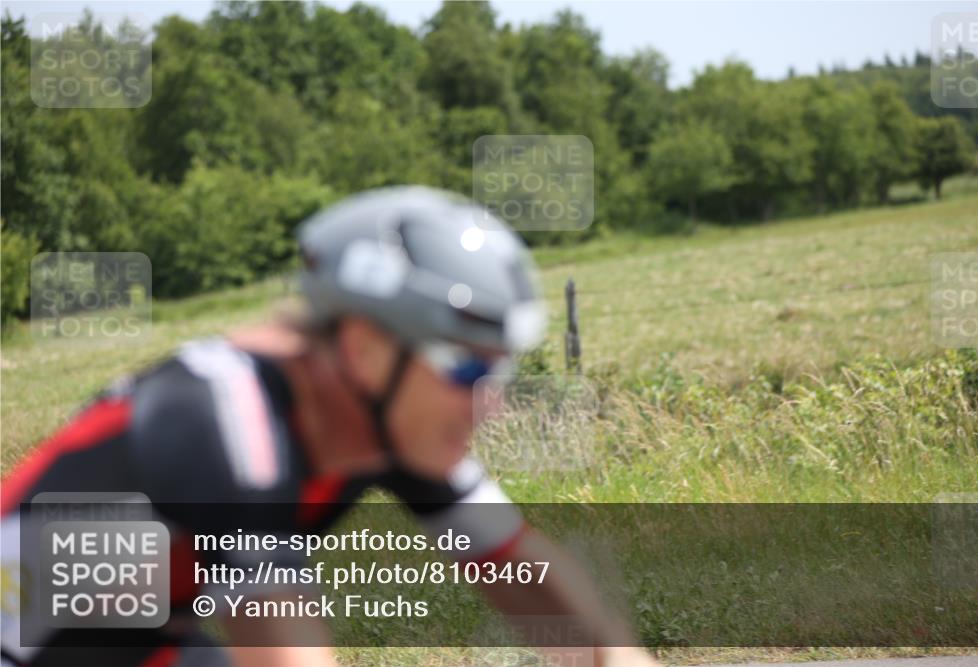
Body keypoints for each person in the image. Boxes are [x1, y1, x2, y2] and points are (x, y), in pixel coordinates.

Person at [1, 186, 659, 667]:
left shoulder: (387, 415)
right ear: (365, 346)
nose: (491, 404)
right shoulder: (231, 424)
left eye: (502, 372)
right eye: (466, 368)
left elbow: (524, 576)